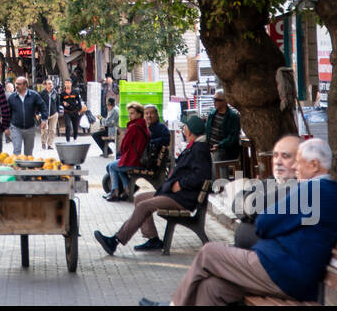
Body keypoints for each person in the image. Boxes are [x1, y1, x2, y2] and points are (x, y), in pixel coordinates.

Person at [143, 138, 337, 306]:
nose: (294, 166)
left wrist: (275, 226)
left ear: (314, 165)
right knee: (211, 288)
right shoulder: (328, 193)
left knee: (209, 253)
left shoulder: (312, 191)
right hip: (284, 271)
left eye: (299, 161)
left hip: (282, 273)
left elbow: (264, 223)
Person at [94, 113, 212, 254]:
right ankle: (153, 239)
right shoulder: (194, 146)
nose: (183, 129)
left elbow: (201, 174)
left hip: (182, 197)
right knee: (140, 198)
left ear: (191, 130)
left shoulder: (200, 149)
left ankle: (115, 241)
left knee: (144, 206)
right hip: (175, 194)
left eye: (185, 126)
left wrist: (181, 184)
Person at [232, 134, 302, 249]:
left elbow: (254, 206)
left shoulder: (298, 188)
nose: (278, 162)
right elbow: (236, 202)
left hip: (273, 258)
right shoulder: (273, 181)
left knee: (209, 254)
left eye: (285, 156)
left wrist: (248, 214)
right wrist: (249, 213)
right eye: (275, 156)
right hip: (251, 254)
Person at [105, 102, 147, 202]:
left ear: (139, 114)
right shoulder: (143, 125)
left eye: (132, 113)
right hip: (139, 159)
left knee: (112, 166)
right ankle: (126, 190)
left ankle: (115, 192)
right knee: (118, 166)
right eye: (129, 113)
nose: (129, 115)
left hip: (134, 161)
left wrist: (123, 152)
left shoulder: (134, 127)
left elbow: (123, 146)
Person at [7, 76, 45, 156]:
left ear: (25, 85)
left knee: (28, 152)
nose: (16, 86)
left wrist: (44, 119)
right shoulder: (12, 97)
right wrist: (6, 127)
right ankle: (17, 167)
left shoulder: (34, 95)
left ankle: (27, 167)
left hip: (30, 127)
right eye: (16, 84)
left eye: (19, 84)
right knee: (17, 150)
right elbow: (7, 113)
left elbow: (42, 106)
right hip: (16, 127)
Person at [205, 90, 242, 165]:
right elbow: (207, 131)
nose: (214, 102)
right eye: (214, 99)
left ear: (225, 101)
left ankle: (222, 176)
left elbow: (233, 137)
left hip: (224, 150)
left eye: (217, 100)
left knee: (217, 156)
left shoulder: (233, 117)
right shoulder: (212, 114)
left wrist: (220, 145)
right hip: (210, 148)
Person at [39, 79, 60, 150]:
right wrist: (38, 113)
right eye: (49, 84)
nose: (50, 85)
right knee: (44, 129)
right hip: (44, 114)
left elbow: (58, 103)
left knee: (52, 130)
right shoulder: (42, 93)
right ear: (46, 85)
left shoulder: (55, 93)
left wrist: (57, 112)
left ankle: (50, 144)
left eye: (51, 84)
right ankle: (43, 143)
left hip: (54, 114)